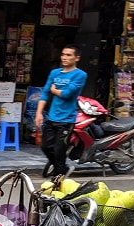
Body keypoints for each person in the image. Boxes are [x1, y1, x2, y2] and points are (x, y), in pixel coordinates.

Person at [34, 44, 87, 177]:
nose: (64, 57)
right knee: (45, 147)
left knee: (59, 150)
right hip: (51, 117)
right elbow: (45, 94)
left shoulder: (80, 75)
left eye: (69, 55)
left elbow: (67, 94)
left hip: (67, 120)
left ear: (77, 58)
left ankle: (59, 178)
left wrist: (54, 90)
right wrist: (39, 113)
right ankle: (62, 168)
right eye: (63, 54)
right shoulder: (54, 73)